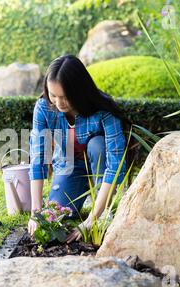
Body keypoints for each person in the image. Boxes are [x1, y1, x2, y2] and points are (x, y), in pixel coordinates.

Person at [27, 54, 131, 243]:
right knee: (58, 214)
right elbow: (38, 156)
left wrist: (91, 219)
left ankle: (102, 207)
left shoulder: (103, 110)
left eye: (65, 97)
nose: (58, 104)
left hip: (99, 164)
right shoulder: (44, 107)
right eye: (53, 95)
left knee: (97, 144)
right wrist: (36, 212)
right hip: (68, 164)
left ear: (79, 91)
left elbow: (115, 166)